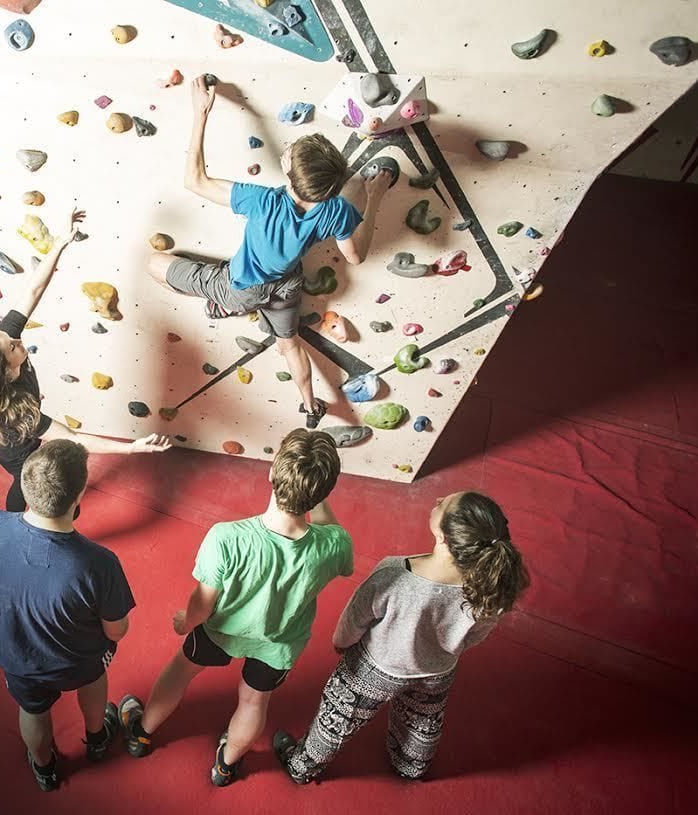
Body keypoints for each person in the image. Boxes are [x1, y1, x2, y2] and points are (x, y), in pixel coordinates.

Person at [146, 75, 391, 427]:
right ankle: (309, 406)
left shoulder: (263, 202)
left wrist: (201, 113)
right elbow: (355, 256)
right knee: (289, 345)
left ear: (289, 174)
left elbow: (195, 180)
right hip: (287, 286)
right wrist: (374, 197)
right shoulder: (336, 210)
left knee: (154, 264)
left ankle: (219, 303)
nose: (287, 150)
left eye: (290, 154)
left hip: (241, 289)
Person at [118, 429, 352, 787]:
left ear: (272, 472)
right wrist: (315, 492)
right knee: (254, 702)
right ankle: (226, 766)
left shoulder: (227, 537)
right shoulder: (336, 543)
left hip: (219, 632)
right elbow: (332, 535)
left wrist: (187, 621)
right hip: (278, 644)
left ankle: (142, 733)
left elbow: (203, 602)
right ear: (324, 492)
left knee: (179, 671)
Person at [272, 491, 531, 783]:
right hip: (438, 670)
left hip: (376, 667)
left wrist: (341, 642)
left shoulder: (393, 573)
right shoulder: (491, 587)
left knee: (338, 715)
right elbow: (476, 635)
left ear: (444, 537)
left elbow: (356, 617)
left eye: (443, 504)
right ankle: (411, 766)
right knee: (424, 720)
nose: (438, 499)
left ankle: (302, 765)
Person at [0, 209, 171, 513]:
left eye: (11, 337)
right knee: (25, 483)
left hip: (22, 432)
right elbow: (73, 439)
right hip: (17, 453)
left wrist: (60, 242)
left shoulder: (2, 347)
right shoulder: (18, 413)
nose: (17, 339)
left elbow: (34, 289)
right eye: (13, 346)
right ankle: (13, 520)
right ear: (6, 370)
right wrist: (131, 448)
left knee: (62, 492)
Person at [0, 440, 135, 791]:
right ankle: (97, 739)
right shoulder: (100, 563)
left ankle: (45, 770)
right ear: (79, 497)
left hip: (18, 660)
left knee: (33, 712)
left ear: (24, 485)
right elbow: (117, 631)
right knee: (94, 681)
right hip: (79, 660)